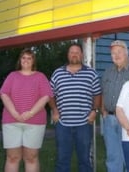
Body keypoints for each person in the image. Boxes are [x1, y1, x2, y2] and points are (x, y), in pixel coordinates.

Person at [0, 48, 54, 172]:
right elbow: (4, 94)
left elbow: (46, 96)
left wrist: (30, 113)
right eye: (23, 57)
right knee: (12, 157)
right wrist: (14, 113)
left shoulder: (40, 77)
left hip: (35, 122)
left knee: (31, 157)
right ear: (20, 60)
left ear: (33, 61)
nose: (26, 60)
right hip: (11, 121)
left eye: (29, 58)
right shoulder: (12, 76)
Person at [50, 42, 101, 172]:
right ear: (68, 55)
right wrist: (55, 110)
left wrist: (94, 111)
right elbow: (50, 94)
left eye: (77, 52)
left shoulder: (91, 73)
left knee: (84, 160)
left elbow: (97, 94)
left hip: (84, 124)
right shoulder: (57, 73)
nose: (74, 55)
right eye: (72, 52)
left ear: (82, 55)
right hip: (63, 124)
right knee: (62, 159)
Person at [101, 40, 129, 172]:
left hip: (128, 119)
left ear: (127, 53)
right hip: (109, 119)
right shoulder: (108, 72)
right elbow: (104, 91)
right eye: (113, 53)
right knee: (112, 156)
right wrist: (103, 111)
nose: (116, 55)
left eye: (119, 52)